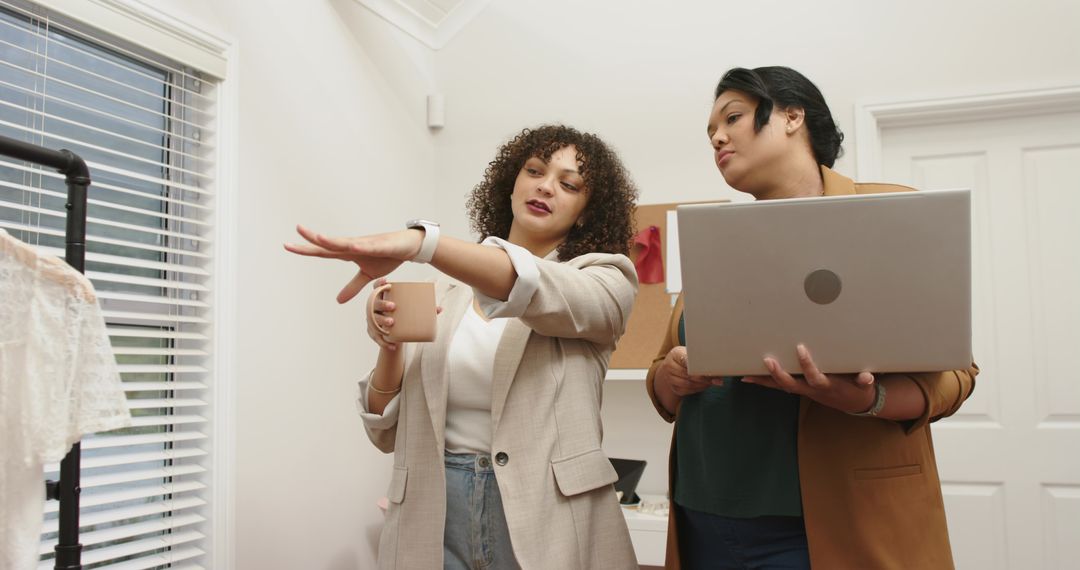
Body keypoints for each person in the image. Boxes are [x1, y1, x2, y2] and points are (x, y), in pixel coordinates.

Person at [645, 66, 979, 569]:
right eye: (710, 131)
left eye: (732, 117)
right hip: (703, 525)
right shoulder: (717, 240)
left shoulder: (889, 212)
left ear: (793, 115)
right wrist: (670, 376)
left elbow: (956, 374)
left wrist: (867, 399)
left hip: (822, 532)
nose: (717, 137)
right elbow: (661, 379)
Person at [285, 124, 640, 569]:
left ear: (587, 211)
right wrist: (389, 345)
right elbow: (385, 433)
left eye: (568, 184)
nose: (546, 186)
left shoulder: (605, 280)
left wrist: (423, 243)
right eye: (534, 170)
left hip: (546, 512)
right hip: (435, 509)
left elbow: (528, 283)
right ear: (510, 184)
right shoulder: (446, 291)